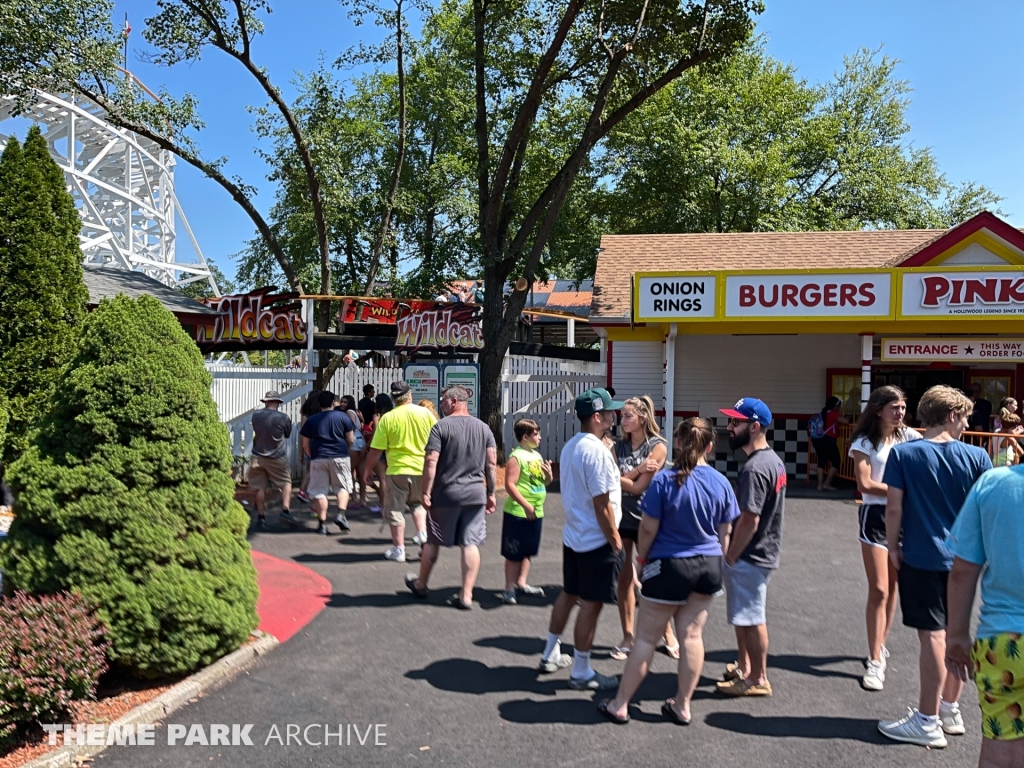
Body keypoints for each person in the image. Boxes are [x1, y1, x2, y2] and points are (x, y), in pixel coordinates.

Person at [598, 418, 740, 725]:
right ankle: (683, 705)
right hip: (708, 565)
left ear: (677, 443)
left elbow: (648, 528)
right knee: (692, 636)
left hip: (669, 565)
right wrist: (722, 562)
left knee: (646, 638)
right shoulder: (722, 483)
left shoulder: (664, 481)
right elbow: (724, 532)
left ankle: (620, 703)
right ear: (710, 447)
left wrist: (642, 558)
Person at [877, 384, 993, 748]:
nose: (964, 426)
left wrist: (892, 544)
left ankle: (927, 719)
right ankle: (950, 708)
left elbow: (893, 506)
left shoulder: (904, 455)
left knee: (933, 635)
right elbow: (984, 510)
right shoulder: (977, 459)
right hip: (966, 559)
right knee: (957, 629)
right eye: (964, 419)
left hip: (922, 554)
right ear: (952, 415)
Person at [538, 388, 625, 691]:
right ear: (598, 417)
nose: (615, 416)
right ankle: (581, 670)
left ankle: (550, 653)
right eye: (610, 412)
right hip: (595, 540)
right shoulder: (597, 451)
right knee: (591, 604)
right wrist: (615, 540)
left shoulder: (572, 445)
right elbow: (602, 505)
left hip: (575, 535)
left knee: (569, 593)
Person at [945, 463, 1024, 768]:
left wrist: (956, 636)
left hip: (1001, 641)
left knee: (1000, 744)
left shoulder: (994, 484)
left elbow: (963, 572)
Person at [849, 385, 923, 691]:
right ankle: (875, 660)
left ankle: (880, 645)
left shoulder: (912, 438)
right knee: (879, 588)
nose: (900, 412)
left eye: (903, 407)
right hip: (876, 518)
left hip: (906, 518)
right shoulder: (863, 442)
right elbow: (865, 484)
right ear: (878, 409)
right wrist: (900, 490)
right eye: (895, 407)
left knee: (893, 589)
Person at [716, 397, 786, 698]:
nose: (729, 427)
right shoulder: (771, 460)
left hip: (751, 554)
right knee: (744, 615)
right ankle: (745, 667)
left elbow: (751, 519)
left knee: (753, 617)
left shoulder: (755, 468)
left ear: (754, 426)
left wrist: (730, 555)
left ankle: (757, 678)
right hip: (761, 551)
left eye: (736, 422)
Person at [405, 386, 497, 609]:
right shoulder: (484, 428)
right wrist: (491, 492)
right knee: (470, 543)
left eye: (444, 401)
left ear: (454, 401)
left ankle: (421, 584)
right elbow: (491, 464)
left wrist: (426, 492)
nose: (442, 404)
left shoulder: (440, 428)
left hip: (446, 494)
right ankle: (466, 595)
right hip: (474, 494)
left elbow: (431, 462)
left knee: (433, 540)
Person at [611, 396, 676, 661]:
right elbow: (613, 479)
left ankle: (667, 633)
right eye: (621, 416)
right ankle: (628, 636)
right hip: (621, 518)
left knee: (654, 578)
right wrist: (637, 469)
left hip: (649, 519)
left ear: (642, 418)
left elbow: (636, 488)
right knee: (624, 578)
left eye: (627, 416)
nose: (622, 420)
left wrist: (621, 477)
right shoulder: (618, 446)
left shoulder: (658, 446)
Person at [363, 381, 436, 562]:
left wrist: (367, 470)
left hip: (397, 469)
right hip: (422, 468)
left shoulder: (388, 418)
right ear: (409, 395)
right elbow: (438, 438)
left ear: (394, 398)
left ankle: (399, 549)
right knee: (418, 504)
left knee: (395, 510)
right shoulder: (425, 414)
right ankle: (422, 536)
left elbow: (376, 449)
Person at [500, 418, 553, 605]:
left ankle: (521, 583)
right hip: (518, 513)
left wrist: (548, 477)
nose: (539, 437)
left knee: (528, 550)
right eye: (536, 434)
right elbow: (510, 485)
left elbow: (541, 482)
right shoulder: (517, 456)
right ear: (525, 436)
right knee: (514, 552)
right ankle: (509, 589)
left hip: (536, 512)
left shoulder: (536, 456)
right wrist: (525, 505)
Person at [299, 391, 356, 536]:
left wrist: (312, 455)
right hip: (340, 456)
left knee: (319, 491)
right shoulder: (343, 417)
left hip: (319, 457)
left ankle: (322, 524)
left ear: (319, 404)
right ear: (333, 402)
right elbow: (351, 439)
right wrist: (346, 450)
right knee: (342, 487)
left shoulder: (312, 419)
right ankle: (341, 514)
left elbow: (305, 444)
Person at [248, 391, 294, 531]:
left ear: (266, 401)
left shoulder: (256, 415)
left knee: (259, 488)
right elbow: (287, 434)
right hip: (277, 456)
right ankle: (285, 511)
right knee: (286, 483)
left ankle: (261, 517)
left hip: (258, 455)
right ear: (278, 402)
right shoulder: (283, 418)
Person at [810, 396, 848, 491]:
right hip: (829, 440)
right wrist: (847, 417)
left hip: (818, 440)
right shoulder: (834, 414)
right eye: (839, 405)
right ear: (835, 406)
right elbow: (846, 422)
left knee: (821, 461)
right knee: (836, 461)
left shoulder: (822, 414)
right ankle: (827, 484)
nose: (840, 407)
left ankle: (820, 485)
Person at [339, 395, 367, 508]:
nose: (342, 404)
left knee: (349, 472)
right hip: (361, 442)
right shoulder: (355, 412)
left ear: (349, 403)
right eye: (341, 402)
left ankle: (354, 498)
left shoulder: (349, 412)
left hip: (354, 442)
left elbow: (350, 428)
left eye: (345, 402)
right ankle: (362, 499)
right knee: (361, 473)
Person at [295, 390, 322, 504]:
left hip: (309, 444)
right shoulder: (320, 414)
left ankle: (305, 491)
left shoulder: (306, 416)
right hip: (317, 444)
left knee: (310, 469)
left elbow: (303, 435)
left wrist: (301, 453)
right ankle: (306, 491)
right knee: (314, 470)